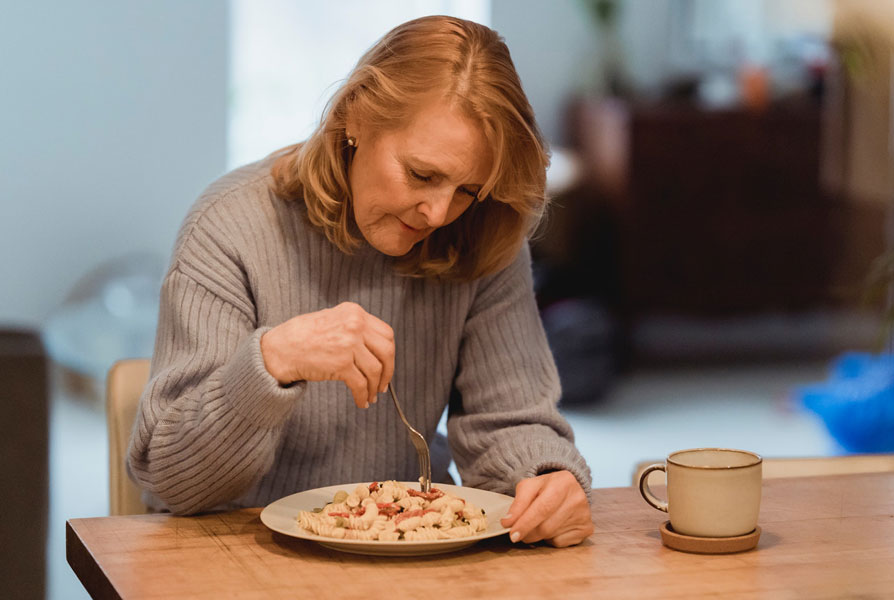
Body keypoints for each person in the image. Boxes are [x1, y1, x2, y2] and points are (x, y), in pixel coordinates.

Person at [128, 15, 593, 547]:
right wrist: (272, 361)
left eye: (468, 190)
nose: (439, 213)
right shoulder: (229, 227)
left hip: (413, 554)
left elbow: (509, 422)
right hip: (238, 552)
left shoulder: (482, 234)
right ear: (356, 117)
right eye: (421, 175)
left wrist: (543, 479)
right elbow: (171, 481)